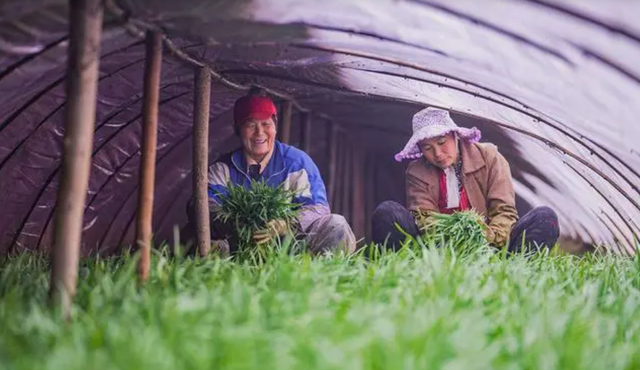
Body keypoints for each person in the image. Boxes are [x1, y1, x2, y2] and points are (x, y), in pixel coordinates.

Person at [186, 89, 355, 255]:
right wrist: (237, 224)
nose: (259, 132)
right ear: (238, 130)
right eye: (250, 125)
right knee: (193, 236)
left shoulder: (297, 163)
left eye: (266, 124)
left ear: (275, 126)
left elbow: (318, 208)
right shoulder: (224, 168)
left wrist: (285, 224)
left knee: (337, 225)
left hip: (291, 245)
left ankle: (307, 269)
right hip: (239, 243)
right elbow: (201, 204)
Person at [371, 107, 559, 253]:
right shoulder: (417, 171)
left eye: (442, 143)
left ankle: (513, 271)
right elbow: (423, 216)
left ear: (455, 136)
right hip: (436, 249)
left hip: (491, 246)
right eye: (427, 148)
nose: (437, 153)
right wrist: (452, 238)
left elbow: (504, 211)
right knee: (387, 213)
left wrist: (484, 238)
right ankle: (411, 272)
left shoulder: (490, 157)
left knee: (545, 218)